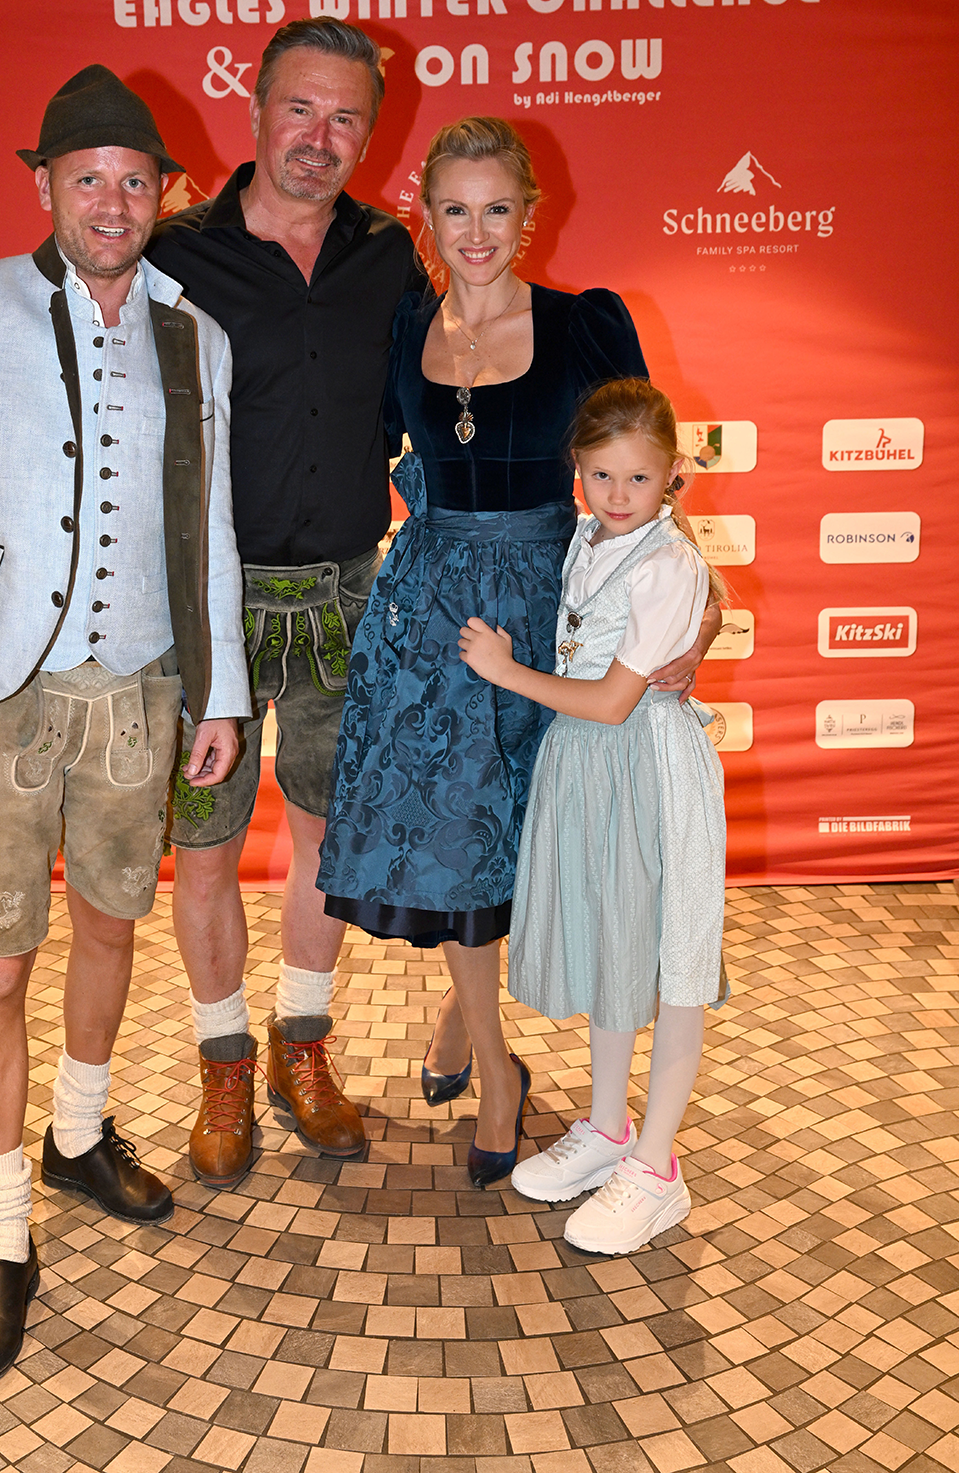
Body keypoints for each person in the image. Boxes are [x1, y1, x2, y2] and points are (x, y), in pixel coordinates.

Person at [0, 20, 424, 1191]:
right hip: (207, 602)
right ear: (254, 111)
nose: (320, 137)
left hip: (349, 589)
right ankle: (223, 1063)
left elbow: (438, 395)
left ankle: (303, 1047)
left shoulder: (391, 256)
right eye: (300, 108)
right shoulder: (174, 252)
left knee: (328, 839)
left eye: (346, 117)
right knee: (203, 849)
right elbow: (38, 367)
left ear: (370, 133)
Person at [0, 64, 248, 1381]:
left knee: (109, 924)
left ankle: (78, 1134)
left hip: (138, 686)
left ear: (164, 194)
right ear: (45, 185)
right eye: (88, 178)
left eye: (136, 181)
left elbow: (209, 531)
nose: (112, 202)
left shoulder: (198, 334)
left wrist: (222, 691)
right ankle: (0, 1234)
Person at [316, 118, 720, 1189]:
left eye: (498, 208)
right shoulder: (405, 327)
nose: (477, 231)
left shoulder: (586, 325)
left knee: (535, 832)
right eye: (455, 209)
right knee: (455, 836)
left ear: (530, 215)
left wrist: (702, 618)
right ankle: (497, 1070)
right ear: (426, 216)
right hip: (436, 615)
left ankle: (464, 1012)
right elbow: (358, 449)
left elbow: (648, 472)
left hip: (555, 608)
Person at [459, 377, 727, 1253]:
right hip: (586, 766)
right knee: (616, 943)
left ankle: (656, 1168)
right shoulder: (585, 536)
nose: (618, 495)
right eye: (602, 475)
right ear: (576, 466)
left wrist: (506, 672)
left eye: (639, 479)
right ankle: (609, 1128)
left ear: (674, 474)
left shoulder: (668, 564)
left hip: (647, 769)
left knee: (673, 961)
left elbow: (614, 702)